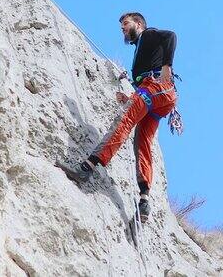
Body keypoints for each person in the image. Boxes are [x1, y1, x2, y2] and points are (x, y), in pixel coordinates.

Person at [60, 12, 178, 223]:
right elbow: (144, 81)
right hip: (156, 98)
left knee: (123, 122)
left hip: (158, 88)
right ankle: (144, 199)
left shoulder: (148, 35)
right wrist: (130, 98)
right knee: (141, 144)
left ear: (139, 24)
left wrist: (167, 67)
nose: (122, 28)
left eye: (125, 23)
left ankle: (87, 166)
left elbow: (170, 36)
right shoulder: (142, 50)